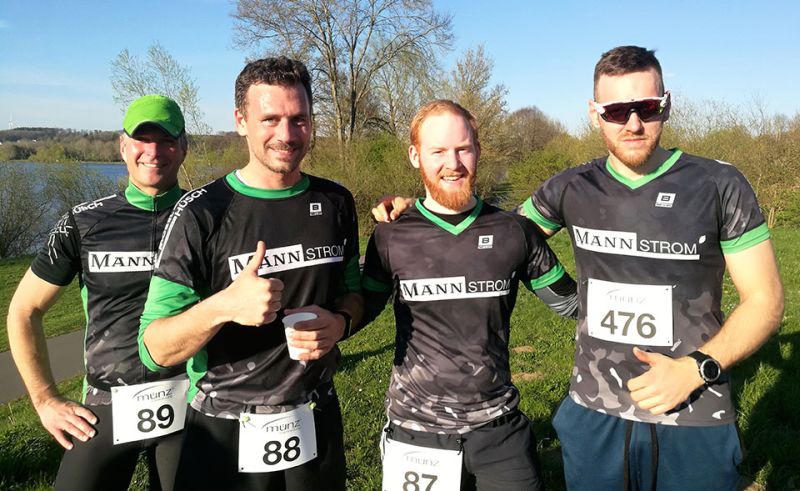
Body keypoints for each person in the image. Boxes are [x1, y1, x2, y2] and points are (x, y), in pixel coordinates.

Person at [519, 46, 784, 489]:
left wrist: (694, 369)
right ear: (594, 113)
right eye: (617, 110)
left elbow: (767, 300)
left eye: (647, 107)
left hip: (693, 410)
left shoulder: (718, 183)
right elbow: (499, 240)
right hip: (594, 411)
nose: (634, 123)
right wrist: (417, 209)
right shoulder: (571, 186)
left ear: (667, 103)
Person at [137, 56, 362, 490]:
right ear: (240, 120)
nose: (286, 134)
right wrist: (223, 305)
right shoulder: (202, 212)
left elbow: (353, 292)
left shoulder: (335, 202)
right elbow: (155, 348)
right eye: (270, 119)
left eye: (299, 119)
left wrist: (340, 322)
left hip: (313, 419)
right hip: (224, 427)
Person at [359, 100, 578, 491]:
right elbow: (358, 308)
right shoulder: (390, 235)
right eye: (438, 151)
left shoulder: (515, 231)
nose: (453, 163)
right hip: (417, 432)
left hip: (499, 430)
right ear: (415, 156)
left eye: (463, 148)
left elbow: (572, 304)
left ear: (478, 150)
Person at [7, 94, 189, 490]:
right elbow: (24, 310)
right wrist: (45, 400)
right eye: (142, 139)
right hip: (108, 402)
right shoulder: (84, 221)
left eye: (167, 140)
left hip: (189, 400)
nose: (153, 151)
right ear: (123, 146)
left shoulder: (208, 216)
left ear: (184, 146)